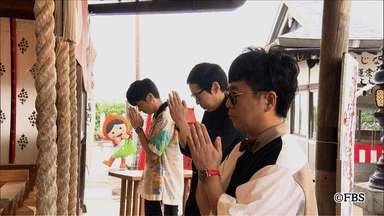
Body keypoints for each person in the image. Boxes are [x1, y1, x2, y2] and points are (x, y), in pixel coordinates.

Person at [187, 46, 318, 215]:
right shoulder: (243, 149)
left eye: (234, 96)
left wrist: (209, 172)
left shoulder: (281, 165)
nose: (228, 104)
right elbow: (209, 209)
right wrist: (205, 169)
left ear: (269, 100)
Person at [167, 63, 247, 216]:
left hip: (216, 195)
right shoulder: (210, 110)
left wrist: (181, 122)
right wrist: (180, 123)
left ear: (215, 88)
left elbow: (202, 152)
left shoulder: (231, 115)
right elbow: (187, 149)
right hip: (199, 190)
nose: (197, 102)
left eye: (198, 95)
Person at [126, 78, 183, 216]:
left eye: (139, 105)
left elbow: (153, 153)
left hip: (164, 189)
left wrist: (138, 129)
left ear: (150, 97)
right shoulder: (157, 116)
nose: (140, 110)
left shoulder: (166, 117)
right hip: (156, 188)